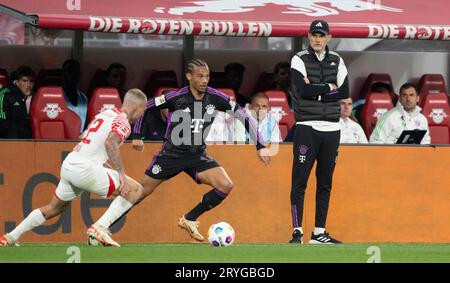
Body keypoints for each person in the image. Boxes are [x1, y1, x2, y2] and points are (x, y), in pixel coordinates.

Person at [112, 59, 271, 242]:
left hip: (197, 156)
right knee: (139, 193)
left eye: (207, 76)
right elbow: (146, 106)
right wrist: (138, 134)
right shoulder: (176, 97)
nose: (205, 80)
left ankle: (190, 218)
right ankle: (102, 226)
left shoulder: (216, 97)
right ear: (189, 76)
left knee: (225, 185)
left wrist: (260, 146)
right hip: (171, 155)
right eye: (200, 76)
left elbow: (242, 114)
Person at [0, 89, 148, 247]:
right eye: (143, 110)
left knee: (53, 208)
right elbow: (110, 143)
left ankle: (10, 237)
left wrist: (101, 161)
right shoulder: (123, 122)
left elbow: (84, 137)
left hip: (71, 163)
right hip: (85, 169)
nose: (142, 115)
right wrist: (121, 175)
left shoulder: (104, 114)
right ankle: (100, 227)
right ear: (135, 107)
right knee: (136, 190)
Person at [289, 19, 349, 244]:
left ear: (328, 38)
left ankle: (319, 233)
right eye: (314, 35)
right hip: (307, 127)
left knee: (325, 183)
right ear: (308, 36)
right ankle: (297, 231)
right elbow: (302, 90)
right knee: (300, 181)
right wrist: (327, 88)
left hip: (332, 129)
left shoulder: (337, 59)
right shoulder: (298, 58)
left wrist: (317, 90)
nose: (317, 39)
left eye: (321, 35)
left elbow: (344, 90)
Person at [0, 66, 35, 139]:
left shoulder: (37, 96)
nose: (28, 85)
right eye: (24, 81)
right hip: (9, 137)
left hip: (30, 138)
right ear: (16, 82)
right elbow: (2, 123)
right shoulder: (5, 94)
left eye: (31, 81)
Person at [61, 59, 88, 133]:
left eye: (76, 72)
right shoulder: (57, 96)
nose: (73, 75)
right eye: (70, 72)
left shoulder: (84, 98)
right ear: (63, 74)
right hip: (63, 138)